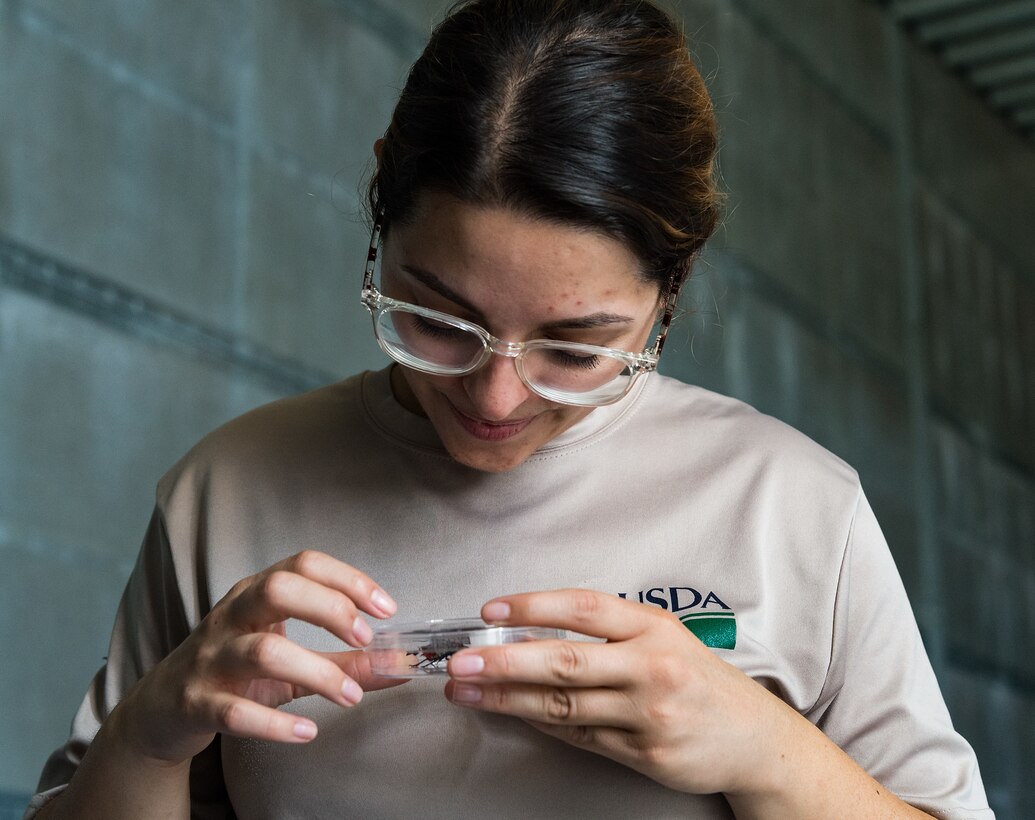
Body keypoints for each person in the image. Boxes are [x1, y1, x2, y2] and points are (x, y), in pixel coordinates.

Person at [27, 1, 993, 818]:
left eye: (574, 348)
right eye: (438, 321)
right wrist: (153, 737)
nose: (496, 399)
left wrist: (759, 751)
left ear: (674, 282)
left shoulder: (792, 507)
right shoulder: (226, 490)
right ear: (379, 214)